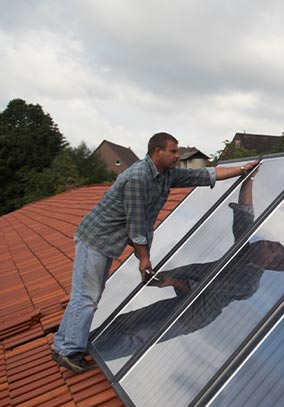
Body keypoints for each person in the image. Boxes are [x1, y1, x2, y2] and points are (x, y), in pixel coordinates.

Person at [51, 132, 260, 373]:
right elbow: (137, 225)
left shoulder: (165, 175)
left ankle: (63, 345)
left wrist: (242, 170)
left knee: (87, 294)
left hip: (107, 243)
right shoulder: (139, 177)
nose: (177, 155)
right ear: (156, 151)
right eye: (173, 151)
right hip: (96, 240)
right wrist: (144, 259)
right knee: (87, 296)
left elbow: (204, 174)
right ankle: (68, 350)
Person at [95, 173, 284, 362]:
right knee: (126, 321)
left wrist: (170, 280)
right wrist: (249, 180)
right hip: (183, 300)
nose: (264, 242)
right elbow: (244, 217)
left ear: (271, 264)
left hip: (190, 315)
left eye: (270, 247)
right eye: (269, 242)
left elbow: (202, 291)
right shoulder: (243, 253)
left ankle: (91, 360)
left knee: (137, 335)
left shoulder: (248, 283)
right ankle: (80, 344)